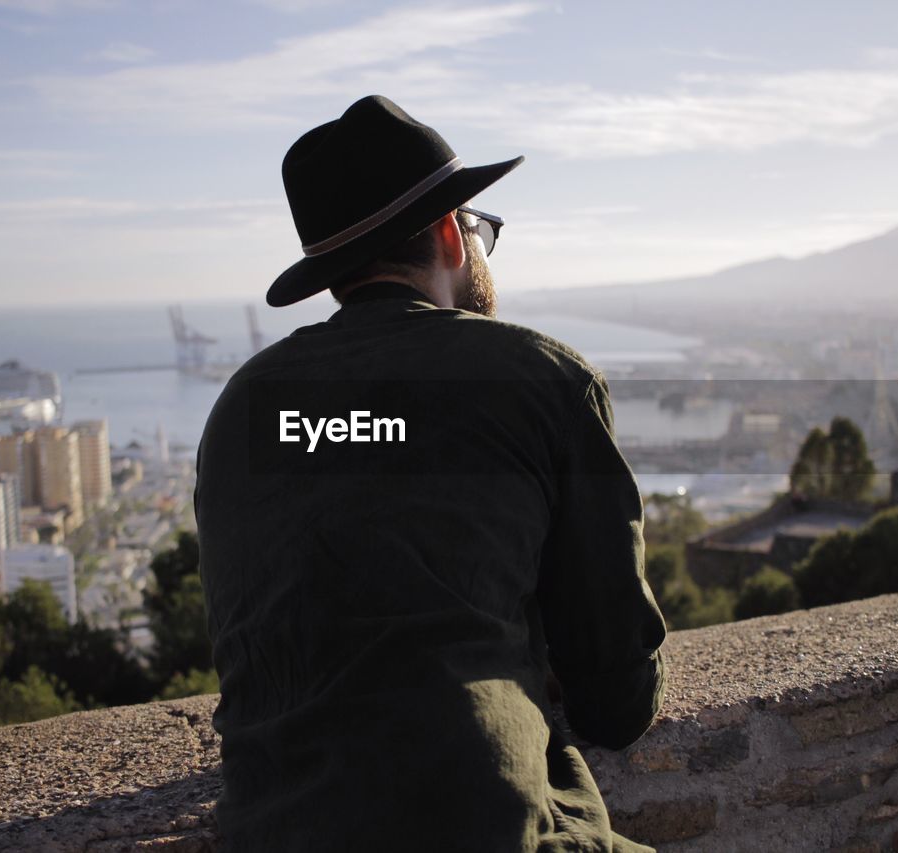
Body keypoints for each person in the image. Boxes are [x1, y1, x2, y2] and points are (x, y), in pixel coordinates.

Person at [195, 95, 667, 852]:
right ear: (453, 233)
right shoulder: (539, 378)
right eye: (483, 229)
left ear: (334, 273)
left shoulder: (243, 407)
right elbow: (619, 701)